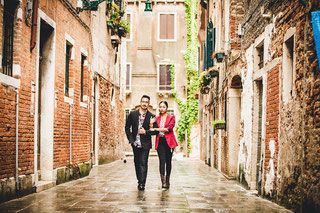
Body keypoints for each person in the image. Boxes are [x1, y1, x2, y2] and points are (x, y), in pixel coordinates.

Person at [125, 95, 157, 191]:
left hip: (145, 143)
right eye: (143, 101)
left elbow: (155, 131)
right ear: (140, 102)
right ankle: (139, 180)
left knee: (143, 162)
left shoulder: (152, 116)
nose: (144, 103)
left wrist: (146, 131)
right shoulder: (132, 114)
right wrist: (131, 140)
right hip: (135, 143)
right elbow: (127, 127)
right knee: (137, 162)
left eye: (146, 102)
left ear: (148, 104)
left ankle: (142, 183)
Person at [150, 101, 178, 189]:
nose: (162, 108)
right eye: (160, 107)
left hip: (169, 142)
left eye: (163, 107)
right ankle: (163, 182)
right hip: (160, 141)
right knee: (162, 161)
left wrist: (156, 128)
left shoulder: (171, 117)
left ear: (166, 108)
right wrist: (151, 123)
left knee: (168, 161)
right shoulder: (156, 118)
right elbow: (152, 130)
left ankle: (168, 180)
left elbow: (168, 129)